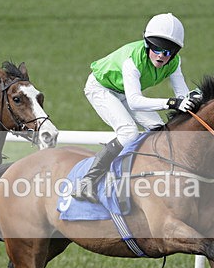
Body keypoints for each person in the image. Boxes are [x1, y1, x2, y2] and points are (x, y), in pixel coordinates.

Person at [72, 13, 205, 203]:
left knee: (159, 130)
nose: (161, 56)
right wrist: (172, 103)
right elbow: (135, 101)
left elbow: (181, 94)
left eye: (167, 52)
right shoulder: (132, 60)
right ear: (147, 45)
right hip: (101, 88)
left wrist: (192, 99)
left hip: (125, 92)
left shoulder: (175, 63)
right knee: (128, 133)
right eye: (156, 49)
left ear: (175, 54)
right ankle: (87, 182)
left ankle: (142, 177)